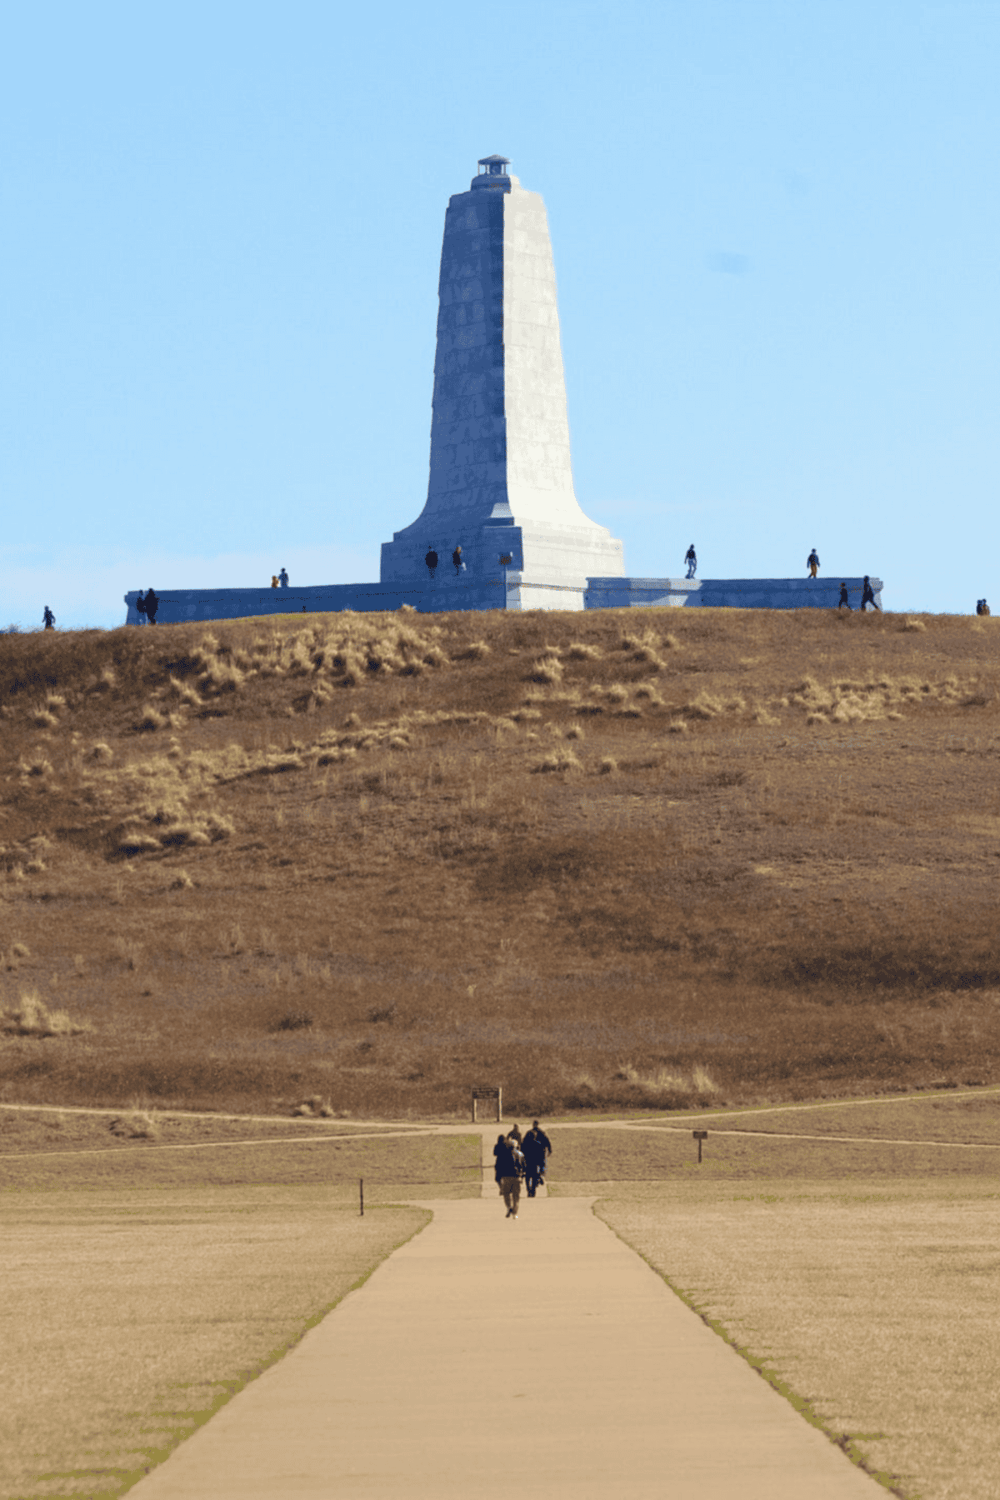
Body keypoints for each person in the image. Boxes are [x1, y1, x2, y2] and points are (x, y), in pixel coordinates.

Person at [493, 1133, 524, 1219]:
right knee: (516, 1196)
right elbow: (522, 1165)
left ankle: (508, 1207)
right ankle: (515, 1213)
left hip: (506, 1176)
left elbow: (499, 1165)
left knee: (506, 1194)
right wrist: (522, 1175)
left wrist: (499, 1176)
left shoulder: (503, 1154)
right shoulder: (518, 1154)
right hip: (516, 1176)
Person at [522, 1120, 552, 1197]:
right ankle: (538, 1180)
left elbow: (522, 1146)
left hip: (529, 1160)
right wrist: (548, 1150)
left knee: (527, 1176)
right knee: (536, 1173)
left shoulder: (529, 1134)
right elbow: (547, 1142)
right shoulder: (539, 1139)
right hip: (536, 1160)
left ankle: (529, 1189)